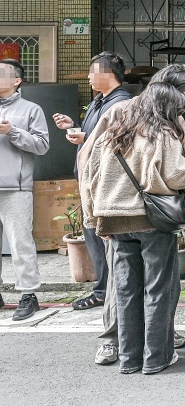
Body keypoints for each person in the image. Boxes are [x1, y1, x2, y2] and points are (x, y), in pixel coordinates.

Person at [81, 82, 185, 375]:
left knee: (126, 292)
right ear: (167, 108)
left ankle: (129, 360)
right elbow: (177, 176)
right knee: (157, 289)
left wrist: (93, 219)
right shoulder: (162, 134)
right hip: (150, 221)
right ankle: (156, 358)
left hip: (114, 220)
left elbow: (89, 177)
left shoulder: (114, 132)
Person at [53, 52, 132, 312]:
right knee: (94, 237)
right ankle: (103, 289)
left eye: (91, 72)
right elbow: (94, 134)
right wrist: (74, 125)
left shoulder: (122, 103)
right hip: (90, 179)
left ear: (107, 74)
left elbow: (120, 140)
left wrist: (85, 137)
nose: (88, 76)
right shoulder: (100, 101)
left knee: (105, 238)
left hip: (104, 181)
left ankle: (108, 291)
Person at [0, 59, 49, 321]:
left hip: (15, 187)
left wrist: (13, 132)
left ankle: (29, 295)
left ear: (17, 80)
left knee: (21, 244)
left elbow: (42, 146)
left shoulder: (31, 109)